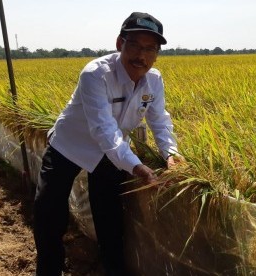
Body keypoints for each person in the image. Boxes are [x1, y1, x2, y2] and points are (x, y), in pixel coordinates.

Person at [33, 12, 180, 275]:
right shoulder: (96, 74)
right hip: (70, 145)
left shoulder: (154, 80)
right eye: (134, 44)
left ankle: (112, 270)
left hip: (111, 155)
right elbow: (104, 130)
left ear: (157, 54)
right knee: (49, 213)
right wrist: (137, 167)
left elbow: (159, 120)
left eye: (150, 48)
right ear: (119, 43)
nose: (141, 55)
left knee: (110, 218)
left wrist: (170, 153)